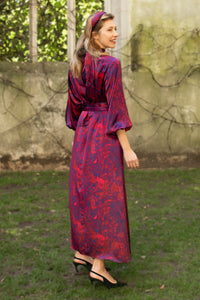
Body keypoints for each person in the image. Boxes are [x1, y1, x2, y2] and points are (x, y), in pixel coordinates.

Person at [65, 11, 139, 289]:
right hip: (104, 135)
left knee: (84, 194)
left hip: (84, 133)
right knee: (107, 200)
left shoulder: (76, 63)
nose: (115, 34)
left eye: (115, 28)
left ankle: (82, 252)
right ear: (94, 35)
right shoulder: (110, 65)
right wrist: (127, 148)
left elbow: (73, 111)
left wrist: (84, 126)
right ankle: (98, 265)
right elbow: (116, 109)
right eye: (109, 30)